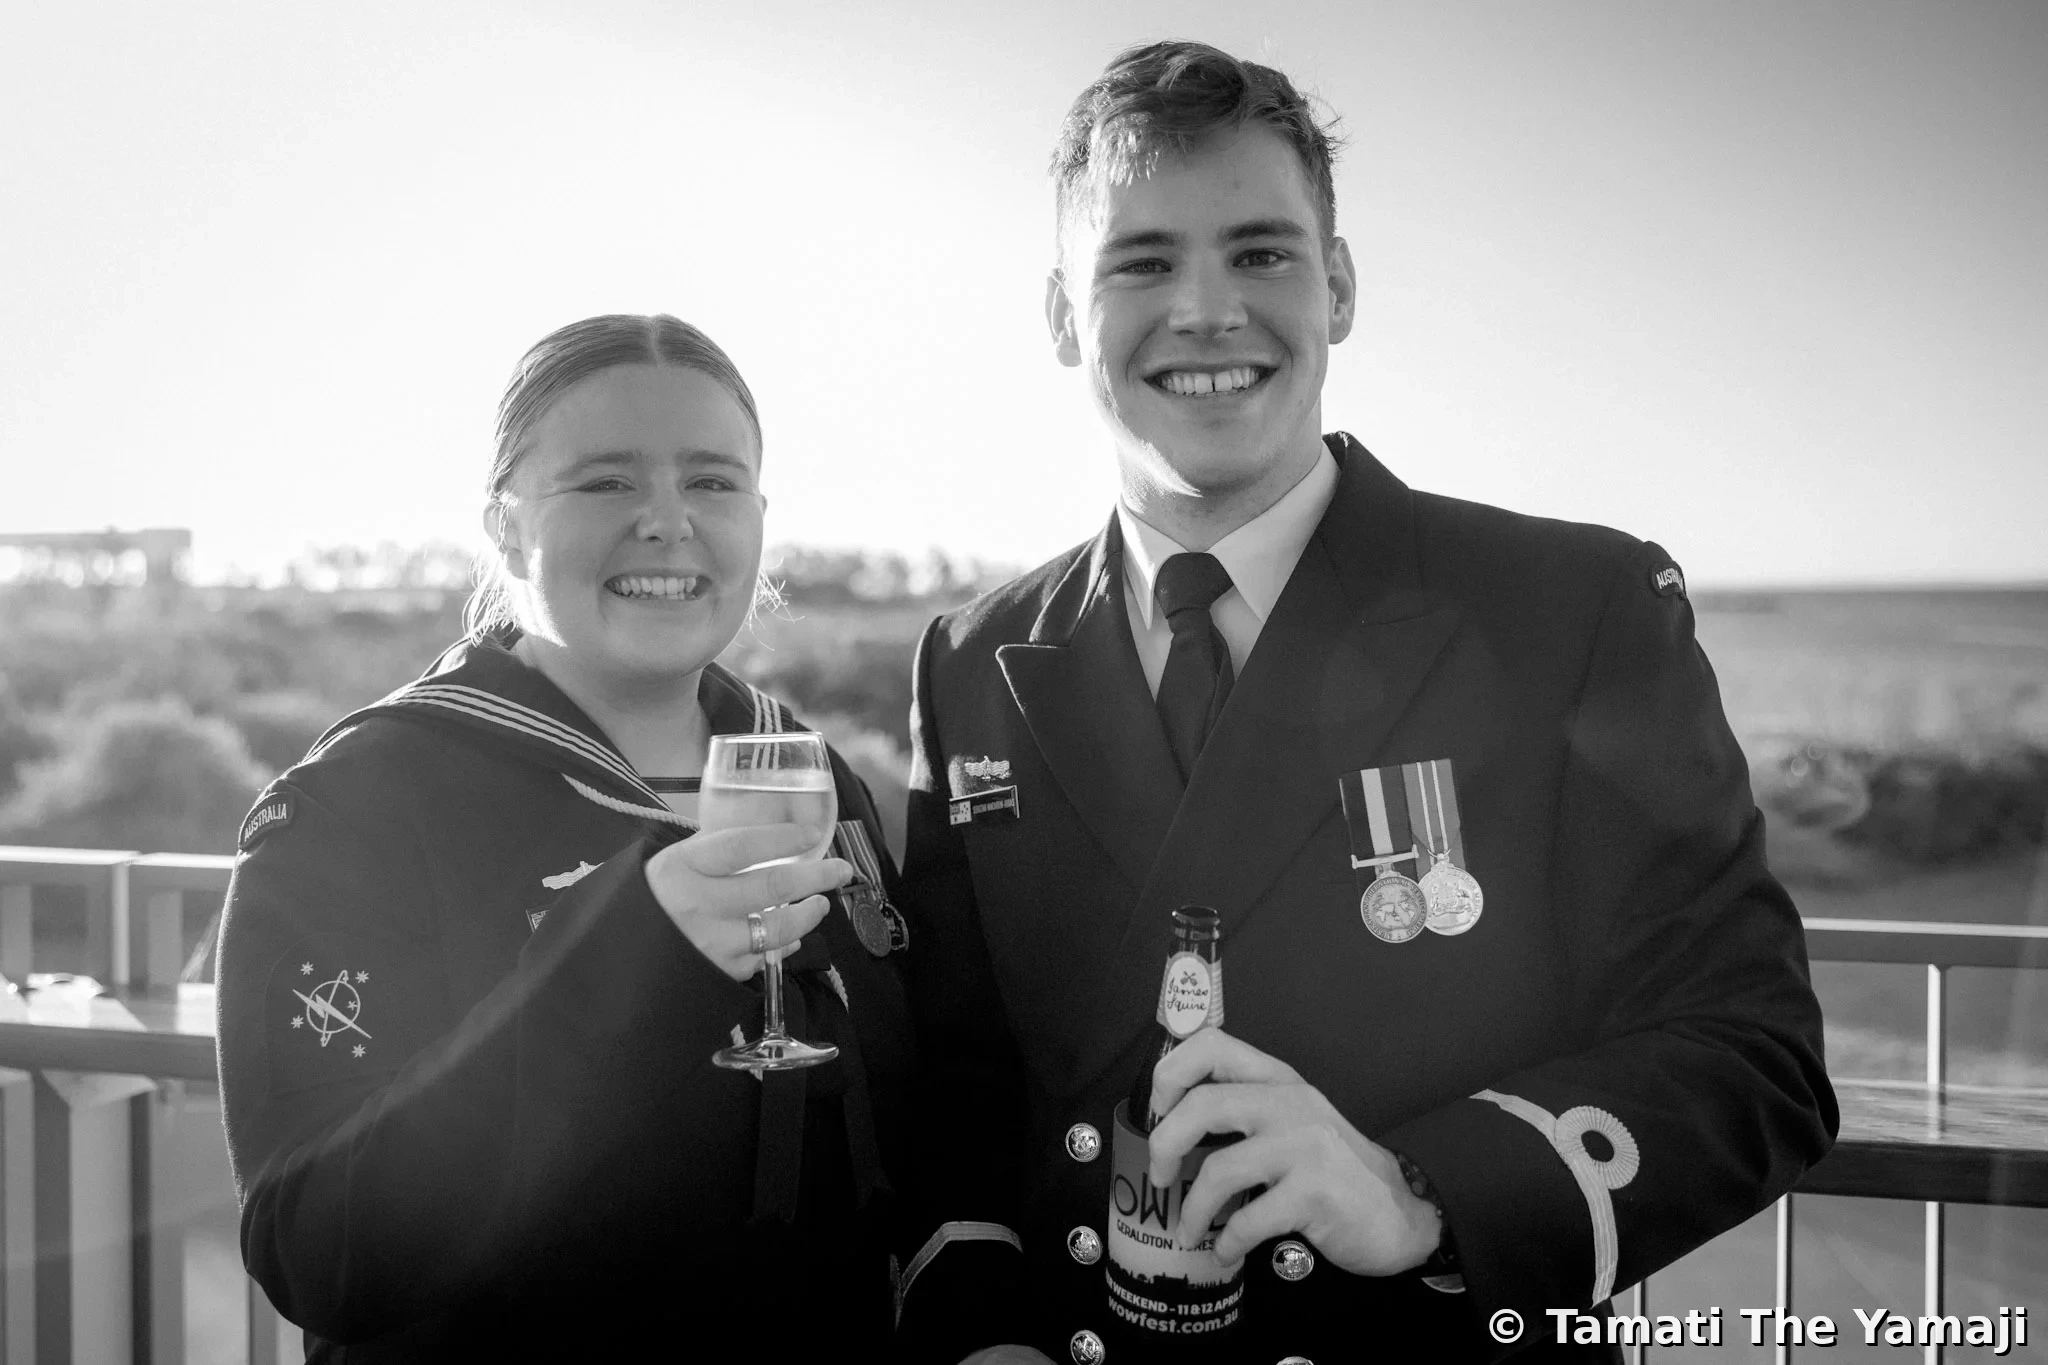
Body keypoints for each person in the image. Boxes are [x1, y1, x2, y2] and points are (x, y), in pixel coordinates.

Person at [894, 43, 1836, 1364]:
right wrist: (979, 1327)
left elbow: (1753, 1054)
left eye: (1262, 253)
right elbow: (955, 1076)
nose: (1207, 310)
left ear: (1338, 287)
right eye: (1143, 262)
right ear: (1064, 313)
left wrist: (1420, 1192)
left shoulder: (1575, 609)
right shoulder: (973, 656)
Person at [217, 314, 915, 1360]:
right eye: (605, 482)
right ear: (503, 524)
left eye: (713, 482)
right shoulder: (361, 807)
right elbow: (319, 1249)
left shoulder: (810, 779)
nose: (667, 523)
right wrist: (616, 970)